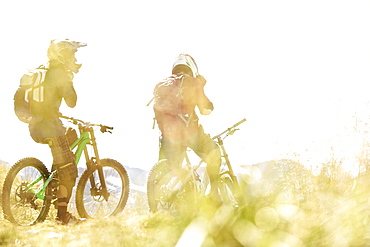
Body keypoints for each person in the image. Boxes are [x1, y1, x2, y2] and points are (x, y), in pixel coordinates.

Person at [27, 39, 86, 225]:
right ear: (64, 55)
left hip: (36, 127)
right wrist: (69, 80)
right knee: (70, 173)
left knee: (71, 135)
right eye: (73, 54)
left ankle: (54, 178)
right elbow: (72, 102)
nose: (75, 58)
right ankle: (62, 216)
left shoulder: (43, 71)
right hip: (51, 128)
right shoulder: (59, 74)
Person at [153, 54, 222, 201]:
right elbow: (205, 110)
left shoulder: (161, 84)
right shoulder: (193, 81)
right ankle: (214, 194)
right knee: (214, 153)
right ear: (191, 68)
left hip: (167, 135)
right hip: (190, 133)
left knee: (166, 172)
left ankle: (157, 207)